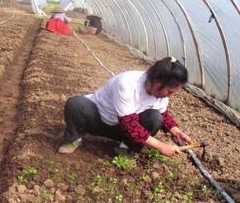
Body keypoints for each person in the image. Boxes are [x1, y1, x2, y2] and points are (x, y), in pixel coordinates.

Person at [58, 57, 192, 156]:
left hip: (121, 131)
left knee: (155, 117)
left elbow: (163, 114)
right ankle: (74, 139)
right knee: (76, 104)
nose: (169, 96)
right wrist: (161, 146)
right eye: (169, 91)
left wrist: (177, 132)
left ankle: (126, 148)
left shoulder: (159, 94)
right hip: (98, 120)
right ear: (157, 82)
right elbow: (129, 123)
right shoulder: (127, 83)